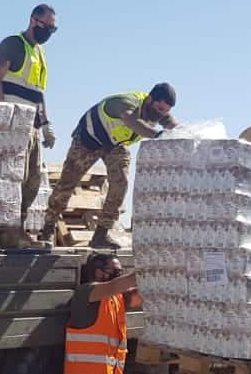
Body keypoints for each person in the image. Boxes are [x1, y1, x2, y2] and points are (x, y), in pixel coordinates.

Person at [39, 84, 180, 250]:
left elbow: (174, 126)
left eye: (165, 111)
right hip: (89, 140)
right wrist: (158, 135)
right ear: (149, 99)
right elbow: (135, 124)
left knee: (121, 183)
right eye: (159, 109)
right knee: (67, 184)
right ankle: (48, 228)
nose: (161, 114)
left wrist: (185, 135)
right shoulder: (126, 103)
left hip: (115, 145)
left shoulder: (159, 112)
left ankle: (101, 234)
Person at [0, 4, 57, 229]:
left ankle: (20, 226)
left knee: (33, 179)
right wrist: (2, 113)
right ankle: (11, 229)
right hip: (14, 123)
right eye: (47, 26)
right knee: (16, 176)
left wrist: (46, 124)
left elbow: (39, 92)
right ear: (33, 21)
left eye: (53, 29)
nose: (49, 32)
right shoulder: (14, 44)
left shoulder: (40, 53)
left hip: (32, 126)